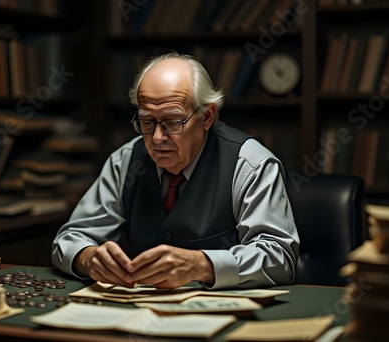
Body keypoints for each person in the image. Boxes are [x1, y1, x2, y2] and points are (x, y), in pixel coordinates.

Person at [51, 52, 300, 290]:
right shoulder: (126, 160)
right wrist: (89, 258)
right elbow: (69, 239)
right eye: (147, 122)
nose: (157, 138)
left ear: (207, 116)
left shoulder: (250, 164)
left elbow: (279, 258)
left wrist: (201, 265)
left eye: (172, 122)